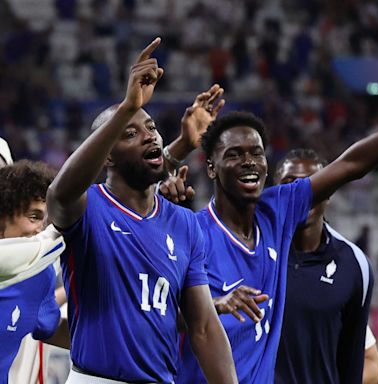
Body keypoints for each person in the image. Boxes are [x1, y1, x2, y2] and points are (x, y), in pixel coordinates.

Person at [162, 53, 378, 383]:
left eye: (256, 153)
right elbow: (158, 313)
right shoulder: (193, 232)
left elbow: (352, 164)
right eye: (234, 154)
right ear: (212, 168)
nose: (249, 162)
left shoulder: (278, 210)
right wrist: (216, 304)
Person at [46, 37, 237, 384]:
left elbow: (204, 327)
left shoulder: (184, 224)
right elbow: (58, 194)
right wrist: (126, 107)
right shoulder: (87, 207)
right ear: (107, 155)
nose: (149, 135)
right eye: (129, 133)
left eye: (151, 127)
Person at [272, 148, 374, 383]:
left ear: (329, 193)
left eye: (312, 186)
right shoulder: (251, 253)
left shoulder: (355, 265)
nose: (301, 195)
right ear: (275, 192)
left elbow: (356, 360)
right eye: (289, 184)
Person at [0, 160, 68, 383]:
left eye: (44, 220)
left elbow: (46, 324)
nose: (40, 229)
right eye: (34, 217)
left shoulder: (41, 275)